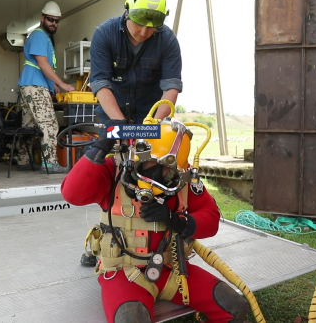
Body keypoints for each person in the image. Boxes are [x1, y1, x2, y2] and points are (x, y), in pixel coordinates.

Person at [61, 118, 249, 323]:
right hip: (124, 272)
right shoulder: (114, 171)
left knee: (234, 308)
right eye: (155, 162)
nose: (161, 173)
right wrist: (100, 147)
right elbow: (72, 194)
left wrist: (177, 221)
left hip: (172, 270)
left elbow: (211, 219)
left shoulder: (182, 177)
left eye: (169, 168)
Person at [90, 0, 182, 124]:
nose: (144, 32)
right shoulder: (105, 34)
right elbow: (101, 83)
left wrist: (153, 125)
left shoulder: (168, 41)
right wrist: (120, 123)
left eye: (153, 25)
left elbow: (171, 87)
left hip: (150, 117)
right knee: (106, 147)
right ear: (127, 10)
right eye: (139, 22)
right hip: (112, 115)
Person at [16, 0, 75, 174]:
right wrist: (62, 83)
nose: (54, 23)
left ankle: (23, 161)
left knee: (28, 126)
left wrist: (53, 84)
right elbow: (43, 64)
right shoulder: (40, 35)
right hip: (35, 85)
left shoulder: (41, 36)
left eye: (57, 20)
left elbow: (43, 66)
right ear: (42, 18)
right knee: (49, 124)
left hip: (30, 84)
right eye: (50, 19)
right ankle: (50, 163)